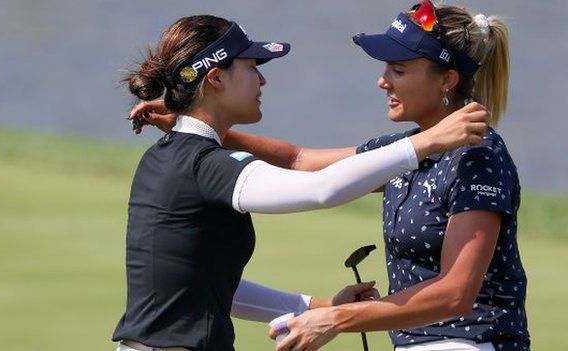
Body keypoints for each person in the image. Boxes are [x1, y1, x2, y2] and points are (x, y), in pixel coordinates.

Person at [115, 13, 489, 351]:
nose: (262, 78)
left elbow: (207, 287)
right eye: (251, 66)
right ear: (216, 78)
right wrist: (428, 141)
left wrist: (322, 308)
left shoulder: (164, 155)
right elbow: (320, 187)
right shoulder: (205, 164)